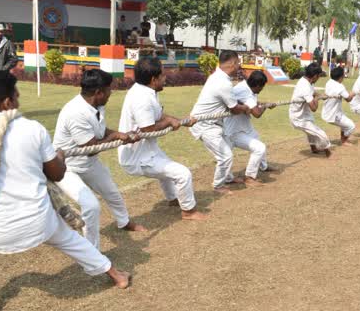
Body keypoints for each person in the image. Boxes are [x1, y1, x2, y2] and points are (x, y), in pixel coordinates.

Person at [0, 70, 130, 311]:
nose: (19, 102)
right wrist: (59, 157)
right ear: (7, 102)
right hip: (40, 224)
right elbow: (57, 174)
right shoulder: (32, 129)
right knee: (67, 236)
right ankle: (116, 276)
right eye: (17, 96)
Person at [53, 70, 147, 248]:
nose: (111, 93)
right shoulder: (76, 112)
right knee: (91, 206)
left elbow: (101, 131)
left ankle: (124, 222)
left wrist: (120, 134)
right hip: (67, 168)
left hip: (88, 164)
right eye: (109, 90)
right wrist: (116, 138)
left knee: (112, 193)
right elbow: (90, 149)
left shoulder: (96, 105)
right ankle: (91, 249)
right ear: (98, 93)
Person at [118, 57, 205, 220]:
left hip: (148, 150)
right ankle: (188, 211)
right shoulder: (141, 98)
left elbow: (158, 115)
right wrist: (169, 122)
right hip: (137, 157)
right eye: (163, 76)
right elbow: (148, 128)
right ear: (153, 79)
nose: (166, 78)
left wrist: (180, 121)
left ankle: (173, 199)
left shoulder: (146, 91)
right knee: (183, 174)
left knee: (167, 170)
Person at [190, 50, 251, 193]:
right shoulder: (222, 82)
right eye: (238, 63)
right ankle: (218, 185)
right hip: (204, 125)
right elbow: (235, 109)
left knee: (228, 147)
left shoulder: (217, 76)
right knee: (225, 155)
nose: (239, 67)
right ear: (232, 63)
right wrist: (246, 108)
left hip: (214, 124)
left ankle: (228, 178)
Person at [224, 70, 275, 186]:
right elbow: (257, 113)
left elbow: (253, 103)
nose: (261, 90)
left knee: (256, 138)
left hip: (241, 126)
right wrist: (265, 106)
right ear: (257, 85)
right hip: (232, 130)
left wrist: (263, 104)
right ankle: (249, 177)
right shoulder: (245, 91)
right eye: (262, 87)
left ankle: (263, 166)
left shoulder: (246, 86)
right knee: (259, 148)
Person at [290, 63, 331, 157]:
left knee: (311, 130)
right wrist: (317, 98)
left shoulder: (308, 81)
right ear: (315, 76)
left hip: (304, 113)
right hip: (298, 118)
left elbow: (313, 92)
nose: (319, 78)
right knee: (321, 134)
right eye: (319, 76)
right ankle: (328, 152)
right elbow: (314, 108)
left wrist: (320, 95)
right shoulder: (304, 86)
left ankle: (314, 148)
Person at [322, 66, 356, 145]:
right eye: (343, 75)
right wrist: (353, 94)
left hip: (330, 111)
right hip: (333, 114)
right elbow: (348, 99)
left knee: (345, 125)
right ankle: (344, 140)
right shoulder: (340, 86)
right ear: (340, 77)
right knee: (351, 126)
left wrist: (347, 94)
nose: (344, 77)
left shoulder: (329, 82)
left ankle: (343, 139)